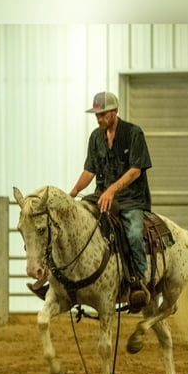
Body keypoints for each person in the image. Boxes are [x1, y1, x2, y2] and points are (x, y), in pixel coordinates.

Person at [69, 91, 152, 311]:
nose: (98, 119)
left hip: (131, 199)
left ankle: (139, 281)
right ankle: (66, 278)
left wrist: (112, 190)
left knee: (134, 234)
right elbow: (90, 170)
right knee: (77, 225)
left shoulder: (134, 133)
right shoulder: (96, 138)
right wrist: (75, 190)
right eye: (96, 115)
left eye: (102, 114)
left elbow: (135, 171)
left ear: (115, 111)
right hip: (102, 196)